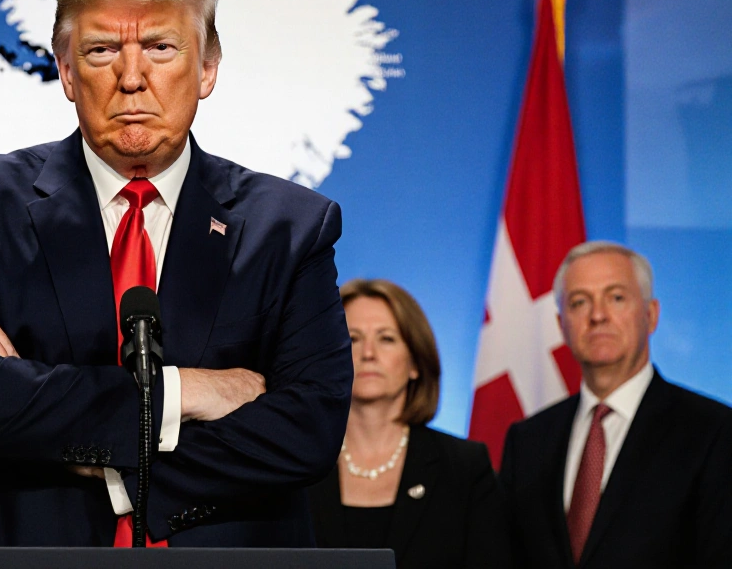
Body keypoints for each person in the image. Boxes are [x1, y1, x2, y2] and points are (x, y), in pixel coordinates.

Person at [0, 0, 353, 547]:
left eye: (161, 48)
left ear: (208, 68)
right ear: (65, 71)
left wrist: (50, 425)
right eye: (102, 51)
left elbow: (308, 430)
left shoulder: (291, 226)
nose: (132, 77)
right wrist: (186, 392)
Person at [501, 241, 732, 569]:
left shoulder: (714, 432)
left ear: (650, 315)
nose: (597, 315)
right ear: (560, 325)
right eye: (580, 302)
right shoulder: (527, 441)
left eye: (616, 297)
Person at [307, 279, 511, 568]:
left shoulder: (464, 467)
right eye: (352, 339)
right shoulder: (297, 466)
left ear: (415, 362)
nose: (368, 354)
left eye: (386, 338)